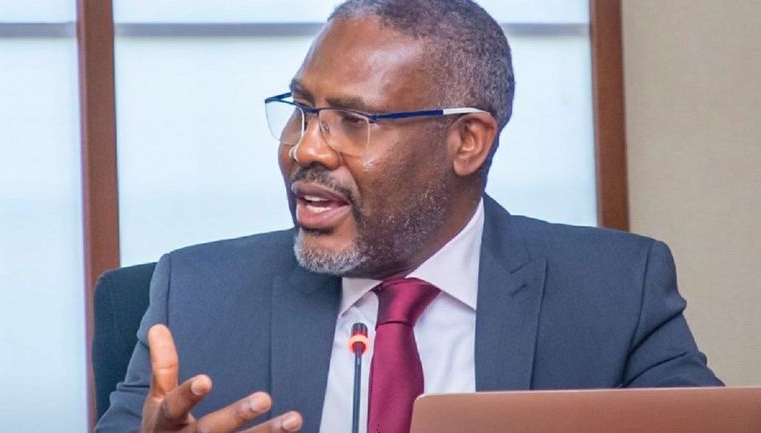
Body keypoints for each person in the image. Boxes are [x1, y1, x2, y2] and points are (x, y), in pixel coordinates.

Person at [96, 1, 722, 432]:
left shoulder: (616, 292)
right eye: (301, 110)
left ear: (467, 141)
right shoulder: (196, 295)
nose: (306, 149)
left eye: (353, 121)